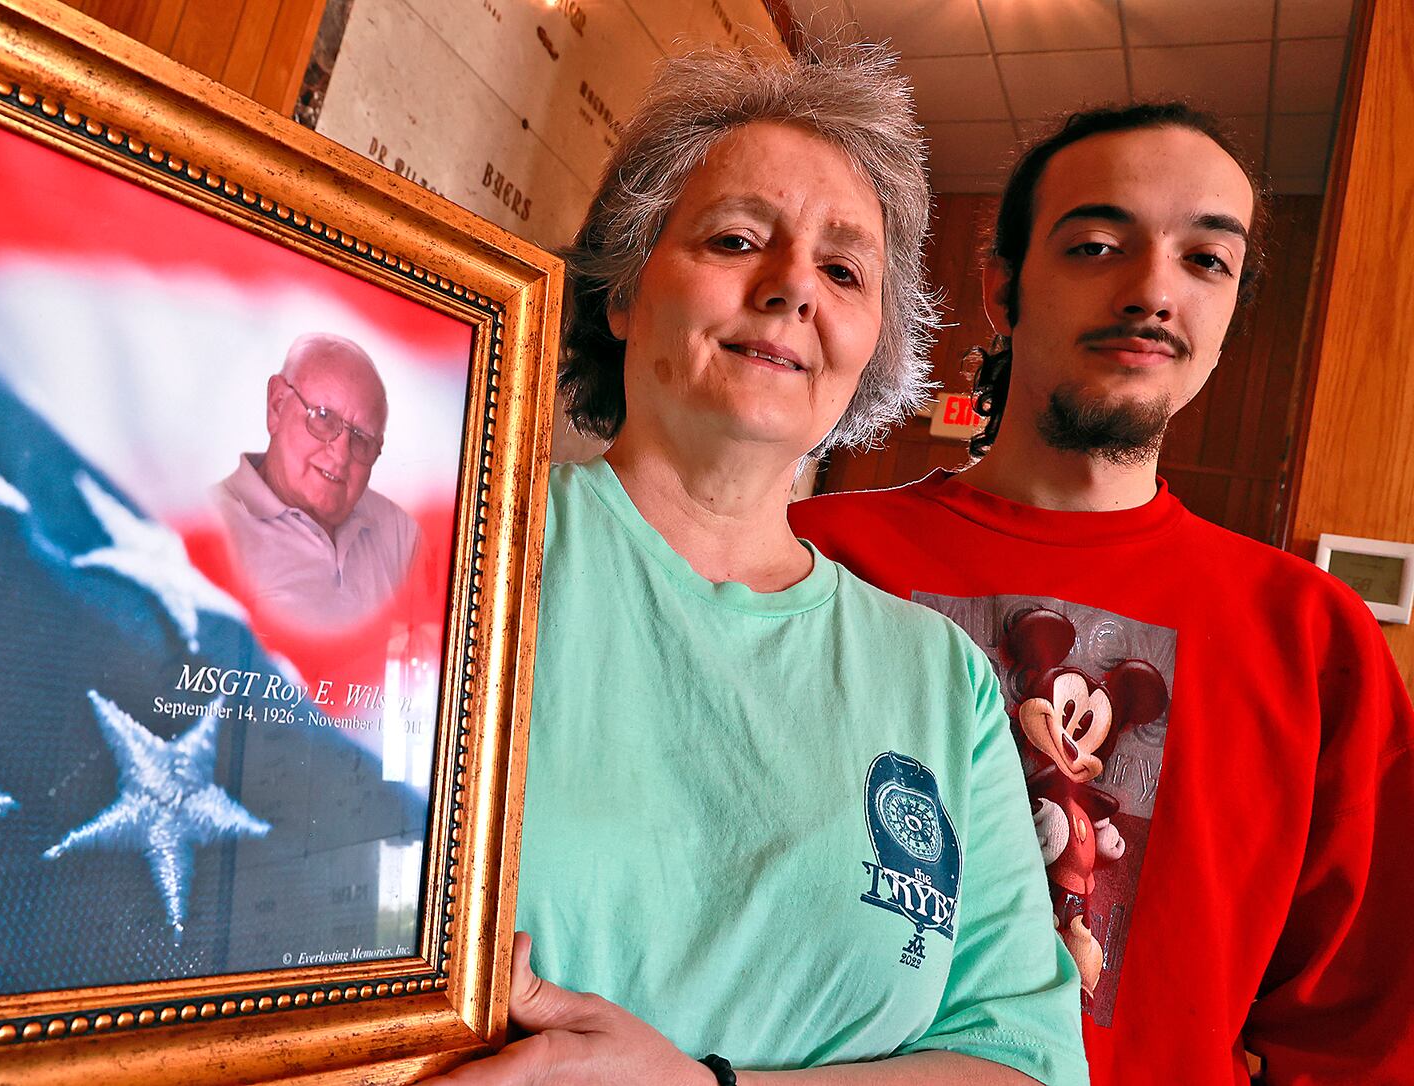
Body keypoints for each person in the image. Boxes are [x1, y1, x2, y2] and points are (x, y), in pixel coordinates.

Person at [426, 46, 1086, 1086]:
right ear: (624, 291)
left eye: (842, 269)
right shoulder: (458, 549)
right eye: (736, 239)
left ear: (871, 342)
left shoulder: (939, 681)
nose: (790, 290)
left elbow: (1021, 1061)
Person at [791, 103, 1414, 1085]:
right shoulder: (813, 559)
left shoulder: (1311, 636)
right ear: (1003, 287)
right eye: (1094, 244)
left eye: (1206, 261)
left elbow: (1361, 1034)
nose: (1151, 291)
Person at [214, 333, 419, 628]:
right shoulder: (210, 529)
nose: (341, 455)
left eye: (361, 438)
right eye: (323, 417)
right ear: (277, 405)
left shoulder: (401, 534)